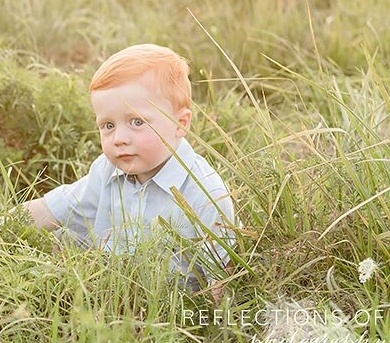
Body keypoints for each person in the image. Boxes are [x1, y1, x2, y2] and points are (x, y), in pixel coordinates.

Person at [19, 43, 235, 291]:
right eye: (108, 125)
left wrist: (217, 323)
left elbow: (221, 280)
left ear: (180, 124)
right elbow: (54, 209)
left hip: (170, 313)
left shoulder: (205, 194)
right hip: (107, 298)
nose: (119, 138)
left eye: (136, 121)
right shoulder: (107, 170)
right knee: (59, 245)